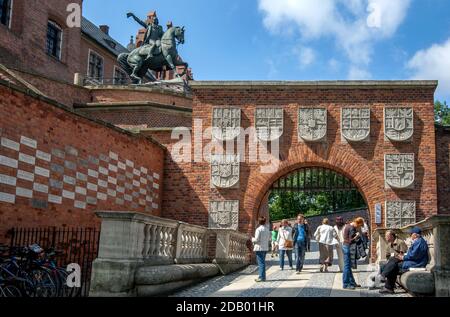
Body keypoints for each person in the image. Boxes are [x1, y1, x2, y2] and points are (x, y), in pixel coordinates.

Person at [379, 227, 429, 294]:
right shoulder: (418, 241)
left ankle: (386, 283)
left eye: (411, 234)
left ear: (416, 235)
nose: (410, 235)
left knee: (394, 266)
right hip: (413, 261)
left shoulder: (419, 242)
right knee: (393, 261)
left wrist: (403, 257)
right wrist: (402, 257)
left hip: (416, 263)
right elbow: (412, 254)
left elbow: (413, 255)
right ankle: (385, 280)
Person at [342, 217, 364, 289]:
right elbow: (350, 240)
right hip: (348, 247)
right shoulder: (352, 228)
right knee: (347, 266)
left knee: (348, 266)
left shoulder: (348, 226)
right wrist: (356, 236)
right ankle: (346, 284)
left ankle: (352, 282)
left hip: (345, 246)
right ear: (357, 223)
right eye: (360, 225)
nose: (359, 227)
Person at [251, 216, 272, 282]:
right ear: (265, 221)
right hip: (265, 248)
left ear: (259, 222)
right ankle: (263, 277)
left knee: (261, 263)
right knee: (262, 262)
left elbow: (256, 239)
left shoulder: (258, 229)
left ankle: (261, 277)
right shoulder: (267, 229)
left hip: (259, 248)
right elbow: (269, 239)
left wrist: (252, 239)